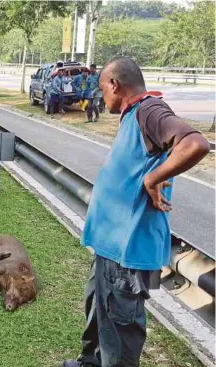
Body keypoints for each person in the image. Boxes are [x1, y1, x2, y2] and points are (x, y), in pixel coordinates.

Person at [62, 57, 210, 367]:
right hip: (110, 247)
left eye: (103, 89)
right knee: (98, 310)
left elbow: (195, 144)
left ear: (114, 84)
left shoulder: (149, 110)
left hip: (126, 251)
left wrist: (152, 178)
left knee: (120, 328)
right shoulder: (133, 115)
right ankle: (90, 362)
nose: (102, 96)